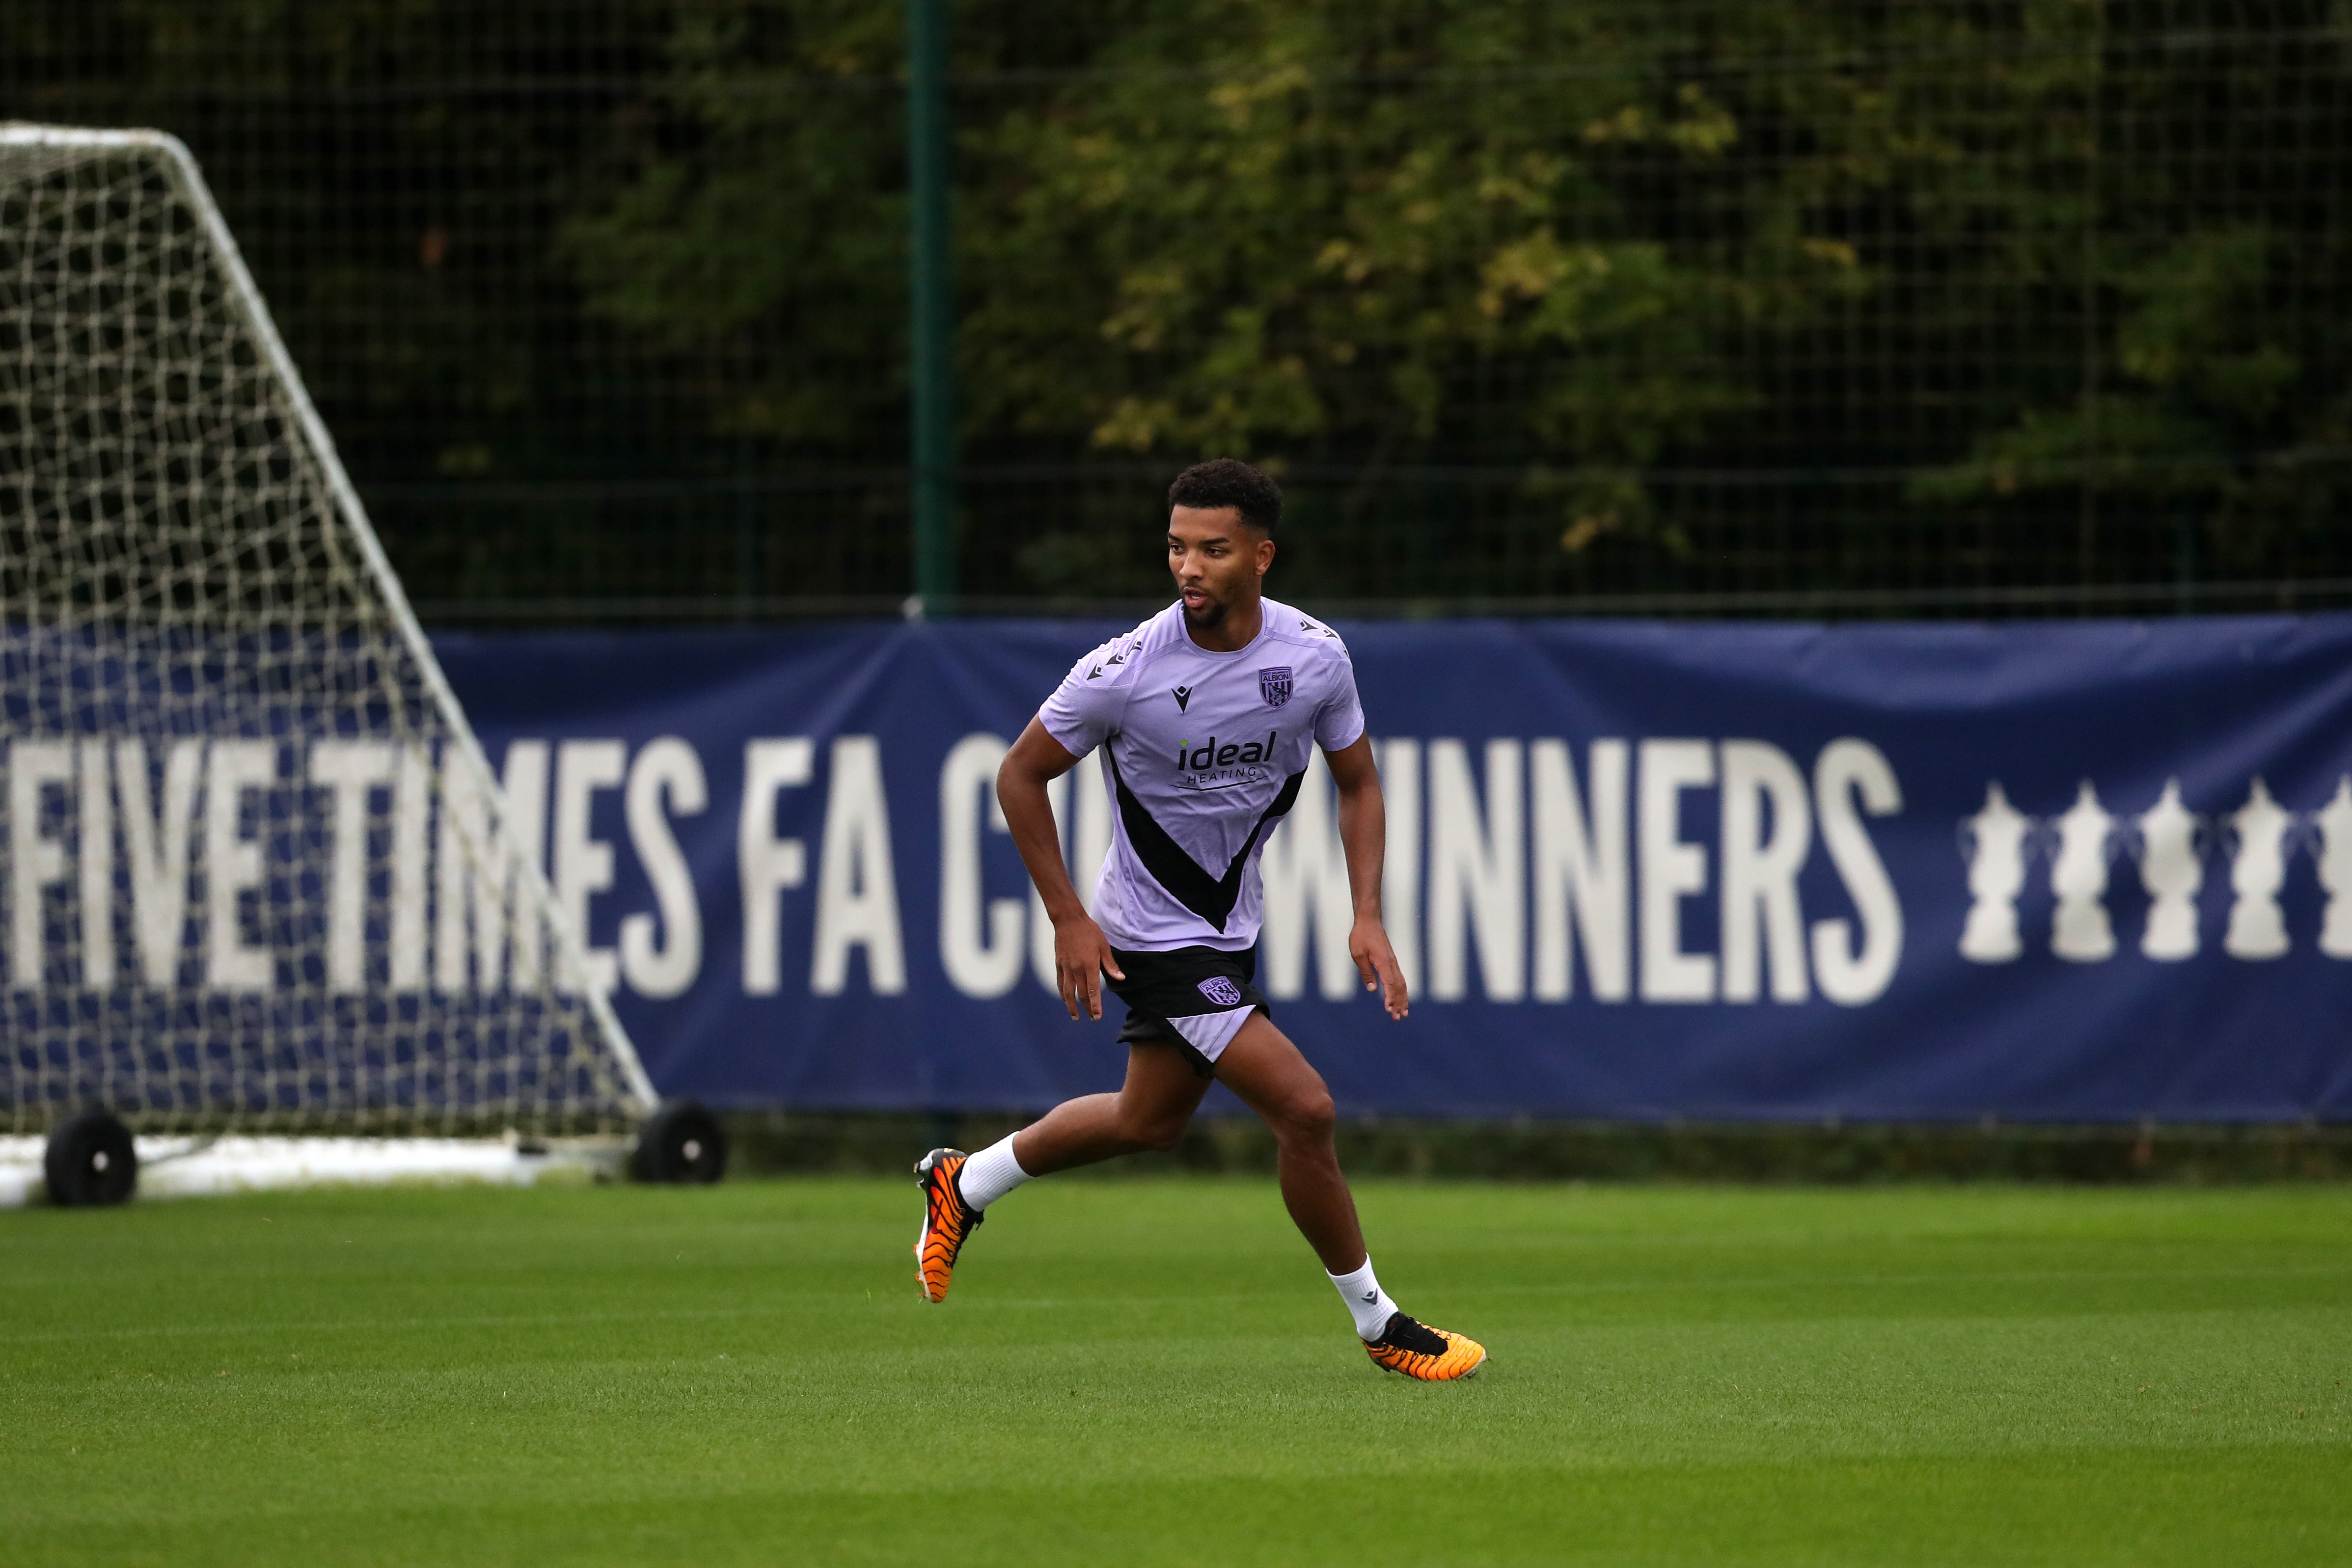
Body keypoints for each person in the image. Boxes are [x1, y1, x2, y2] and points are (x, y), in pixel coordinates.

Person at [912, 457, 1485, 1381]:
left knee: (1148, 1122)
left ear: (1261, 556)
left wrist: (1367, 913)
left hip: (1226, 926)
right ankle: (1380, 1324)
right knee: (1305, 1108)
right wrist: (1067, 918)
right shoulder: (1125, 671)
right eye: (1176, 547)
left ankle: (965, 1180)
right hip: (1149, 931)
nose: (1188, 567)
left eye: (1212, 550)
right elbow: (1018, 776)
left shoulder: (1313, 657)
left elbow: (1359, 782)